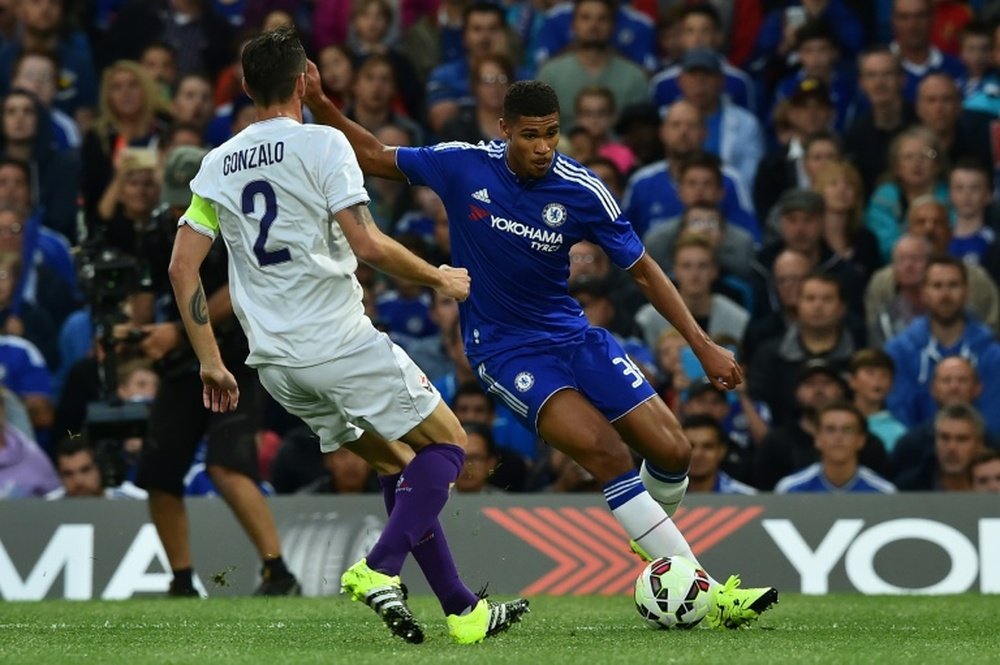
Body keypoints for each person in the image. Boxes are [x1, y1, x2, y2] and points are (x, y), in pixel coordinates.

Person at [306, 52, 777, 628]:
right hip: (506, 351)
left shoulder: (582, 190)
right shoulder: (461, 166)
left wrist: (702, 344)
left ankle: (651, 539)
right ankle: (701, 586)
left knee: (675, 452)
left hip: (574, 336)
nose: (544, 147)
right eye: (531, 135)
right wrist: (324, 105)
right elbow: (375, 156)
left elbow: (645, 270)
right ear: (504, 129)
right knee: (607, 455)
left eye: (552, 134)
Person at [168, 29, 527, 645]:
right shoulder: (324, 143)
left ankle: (463, 610)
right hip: (337, 342)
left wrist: (210, 361)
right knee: (449, 445)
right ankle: (378, 568)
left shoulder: (217, 163)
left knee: (397, 462)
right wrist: (438, 276)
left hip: (276, 366)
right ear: (306, 80)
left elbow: (181, 267)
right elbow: (367, 244)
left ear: (249, 86)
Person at [774, 402, 896, 494]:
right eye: (830, 429)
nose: (838, 437)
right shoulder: (789, 489)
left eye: (847, 430)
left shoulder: (884, 492)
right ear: (817, 439)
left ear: (861, 440)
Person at [44, 436, 148, 499]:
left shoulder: (137, 500)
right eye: (68, 474)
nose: (78, 481)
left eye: (85, 470)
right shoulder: (45, 509)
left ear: (101, 468)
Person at [682, 414, 756, 495]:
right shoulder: (666, 499)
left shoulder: (746, 498)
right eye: (690, 446)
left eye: (708, 446)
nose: (697, 454)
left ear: (722, 451)